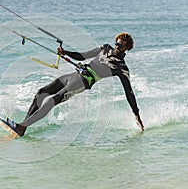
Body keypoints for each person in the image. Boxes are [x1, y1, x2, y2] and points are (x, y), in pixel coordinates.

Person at [7, 32, 144, 136]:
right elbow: (83, 55)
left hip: (82, 83)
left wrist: (136, 114)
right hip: (74, 76)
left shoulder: (121, 68)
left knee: (52, 100)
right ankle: (22, 127)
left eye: (120, 45)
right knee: (41, 93)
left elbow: (129, 92)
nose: (116, 46)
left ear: (127, 48)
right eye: (116, 42)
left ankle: (21, 127)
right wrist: (65, 52)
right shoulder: (105, 48)